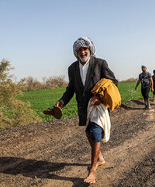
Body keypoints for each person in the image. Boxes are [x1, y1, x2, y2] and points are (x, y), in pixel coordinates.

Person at [55, 37, 118, 184]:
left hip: (98, 106)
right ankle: (100, 157)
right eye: (80, 50)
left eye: (85, 49)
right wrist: (62, 102)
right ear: (76, 52)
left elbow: (113, 82)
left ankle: (93, 169)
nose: (83, 52)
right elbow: (71, 88)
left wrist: (100, 97)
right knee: (89, 132)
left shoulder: (100, 64)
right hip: (83, 106)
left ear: (90, 50)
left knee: (95, 132)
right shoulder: (72, 68)